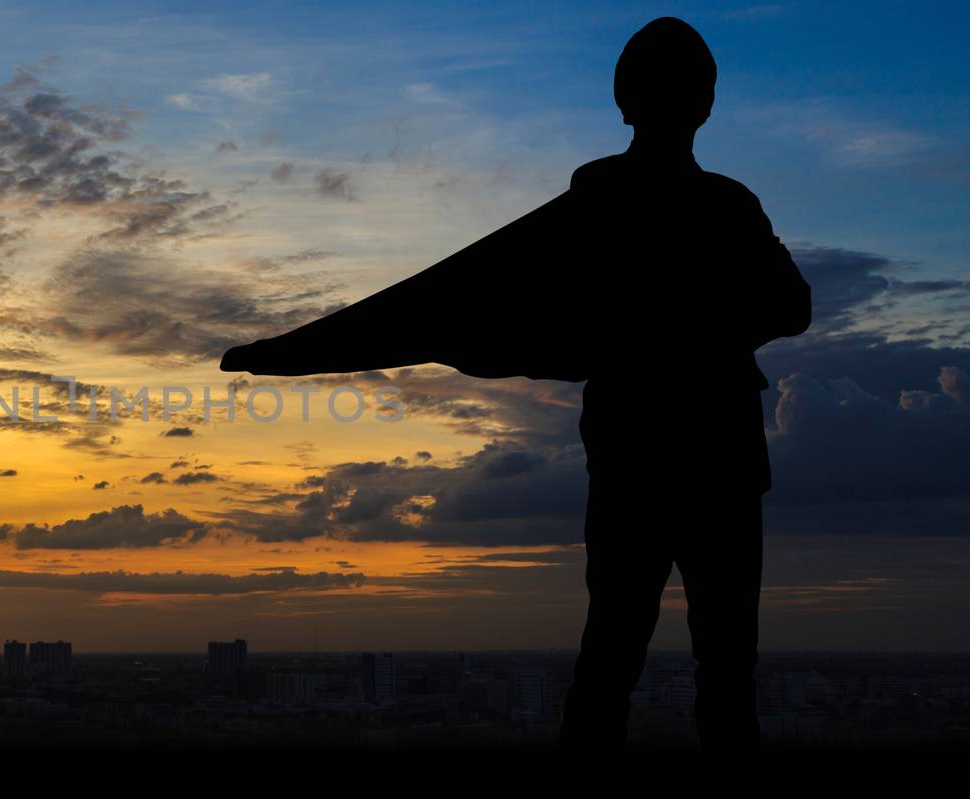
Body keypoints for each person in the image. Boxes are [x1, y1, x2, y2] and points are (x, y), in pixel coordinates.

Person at [219, 17, 811, 756]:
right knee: (650, 665)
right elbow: (462, 288)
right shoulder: (679, 202)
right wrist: (299, 350)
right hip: (675, 460)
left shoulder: (713, 204)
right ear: (704, 103)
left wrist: (674, 324)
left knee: (669, 667)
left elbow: (792, 306)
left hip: (683, 460)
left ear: (632, 102)